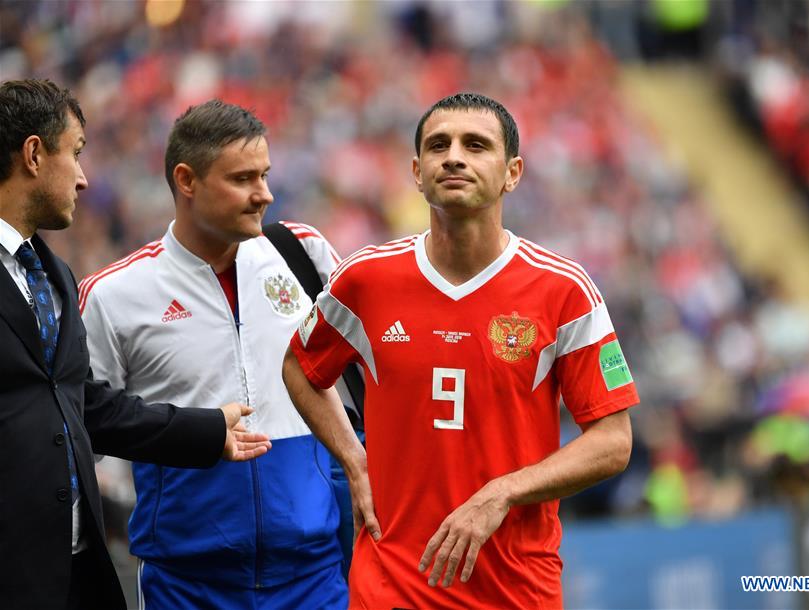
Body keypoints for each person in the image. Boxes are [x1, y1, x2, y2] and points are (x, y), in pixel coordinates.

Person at [282, 92, 638, 608]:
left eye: (476, 145)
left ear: (512, 172)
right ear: (417, 171)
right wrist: (354, 460)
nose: (454, 156)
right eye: (438, 145)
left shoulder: (564, 290)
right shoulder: (365, 279)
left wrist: (504, 492)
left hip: (514, 589)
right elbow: (299, 365)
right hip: (389, 585)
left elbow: (613, 441)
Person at [0, 79, 272, 610]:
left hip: (70, 572)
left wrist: (206, 429)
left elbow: (83, 407)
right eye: (75, 154)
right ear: (34, 154)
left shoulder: (51, 274)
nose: (83, 179)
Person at [79, 99, 350, 609]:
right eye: (244, 178)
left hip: (313, 576)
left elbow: (367, 380)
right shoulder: (113, 294)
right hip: (187, 583)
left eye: (265, 175)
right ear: (187, 180)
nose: (264, 194)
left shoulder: (304, 253)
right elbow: (81, 433)